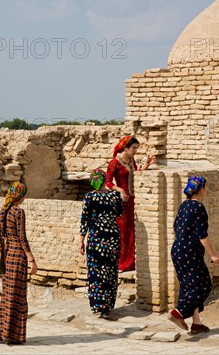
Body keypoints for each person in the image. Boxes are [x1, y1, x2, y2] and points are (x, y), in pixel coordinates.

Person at [168, 175, 219, 335]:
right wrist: (213, 254)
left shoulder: (183, 206)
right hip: (189, 251)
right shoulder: (198, 207)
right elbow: (202, 235)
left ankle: (196, 324)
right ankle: (179, 313)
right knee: (203, 285)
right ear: (201, 189)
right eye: (205, 187)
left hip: (177, 249)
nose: (206, 190)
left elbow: (175, 227)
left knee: (188, 286)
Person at [0, 182, 38, 345]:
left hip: (7, 257)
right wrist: (31, 259)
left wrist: (2, 257)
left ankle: (4, 333)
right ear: (21, 196)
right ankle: (15, 335)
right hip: (18, 257)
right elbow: (22, 238)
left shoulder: (2, 212)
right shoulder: (19, 212)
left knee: (7, 295)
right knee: (18, 296)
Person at [79, 168, 124, 319]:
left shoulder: (89, 197)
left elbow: (84, 219)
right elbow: (119, 213)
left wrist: (81, 240)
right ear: (105, 180)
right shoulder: (114, 196)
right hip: (112, 238)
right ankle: (109, 305)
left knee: (96, 272)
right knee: (110, 271)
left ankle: (100, 305)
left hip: (96, 239)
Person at [105, 136, 155, 271]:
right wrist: (120, 190)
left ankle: (131, 262)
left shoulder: (131, 160)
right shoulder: (114, 163)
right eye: (133, 148)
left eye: (136, 149)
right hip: (122, 201)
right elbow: (108, 182)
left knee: (132, 230)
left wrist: (147, 165)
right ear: (125, 148)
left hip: (133, 199)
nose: (135, 151)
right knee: (122, 231)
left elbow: (136, 174)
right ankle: (121, 263)